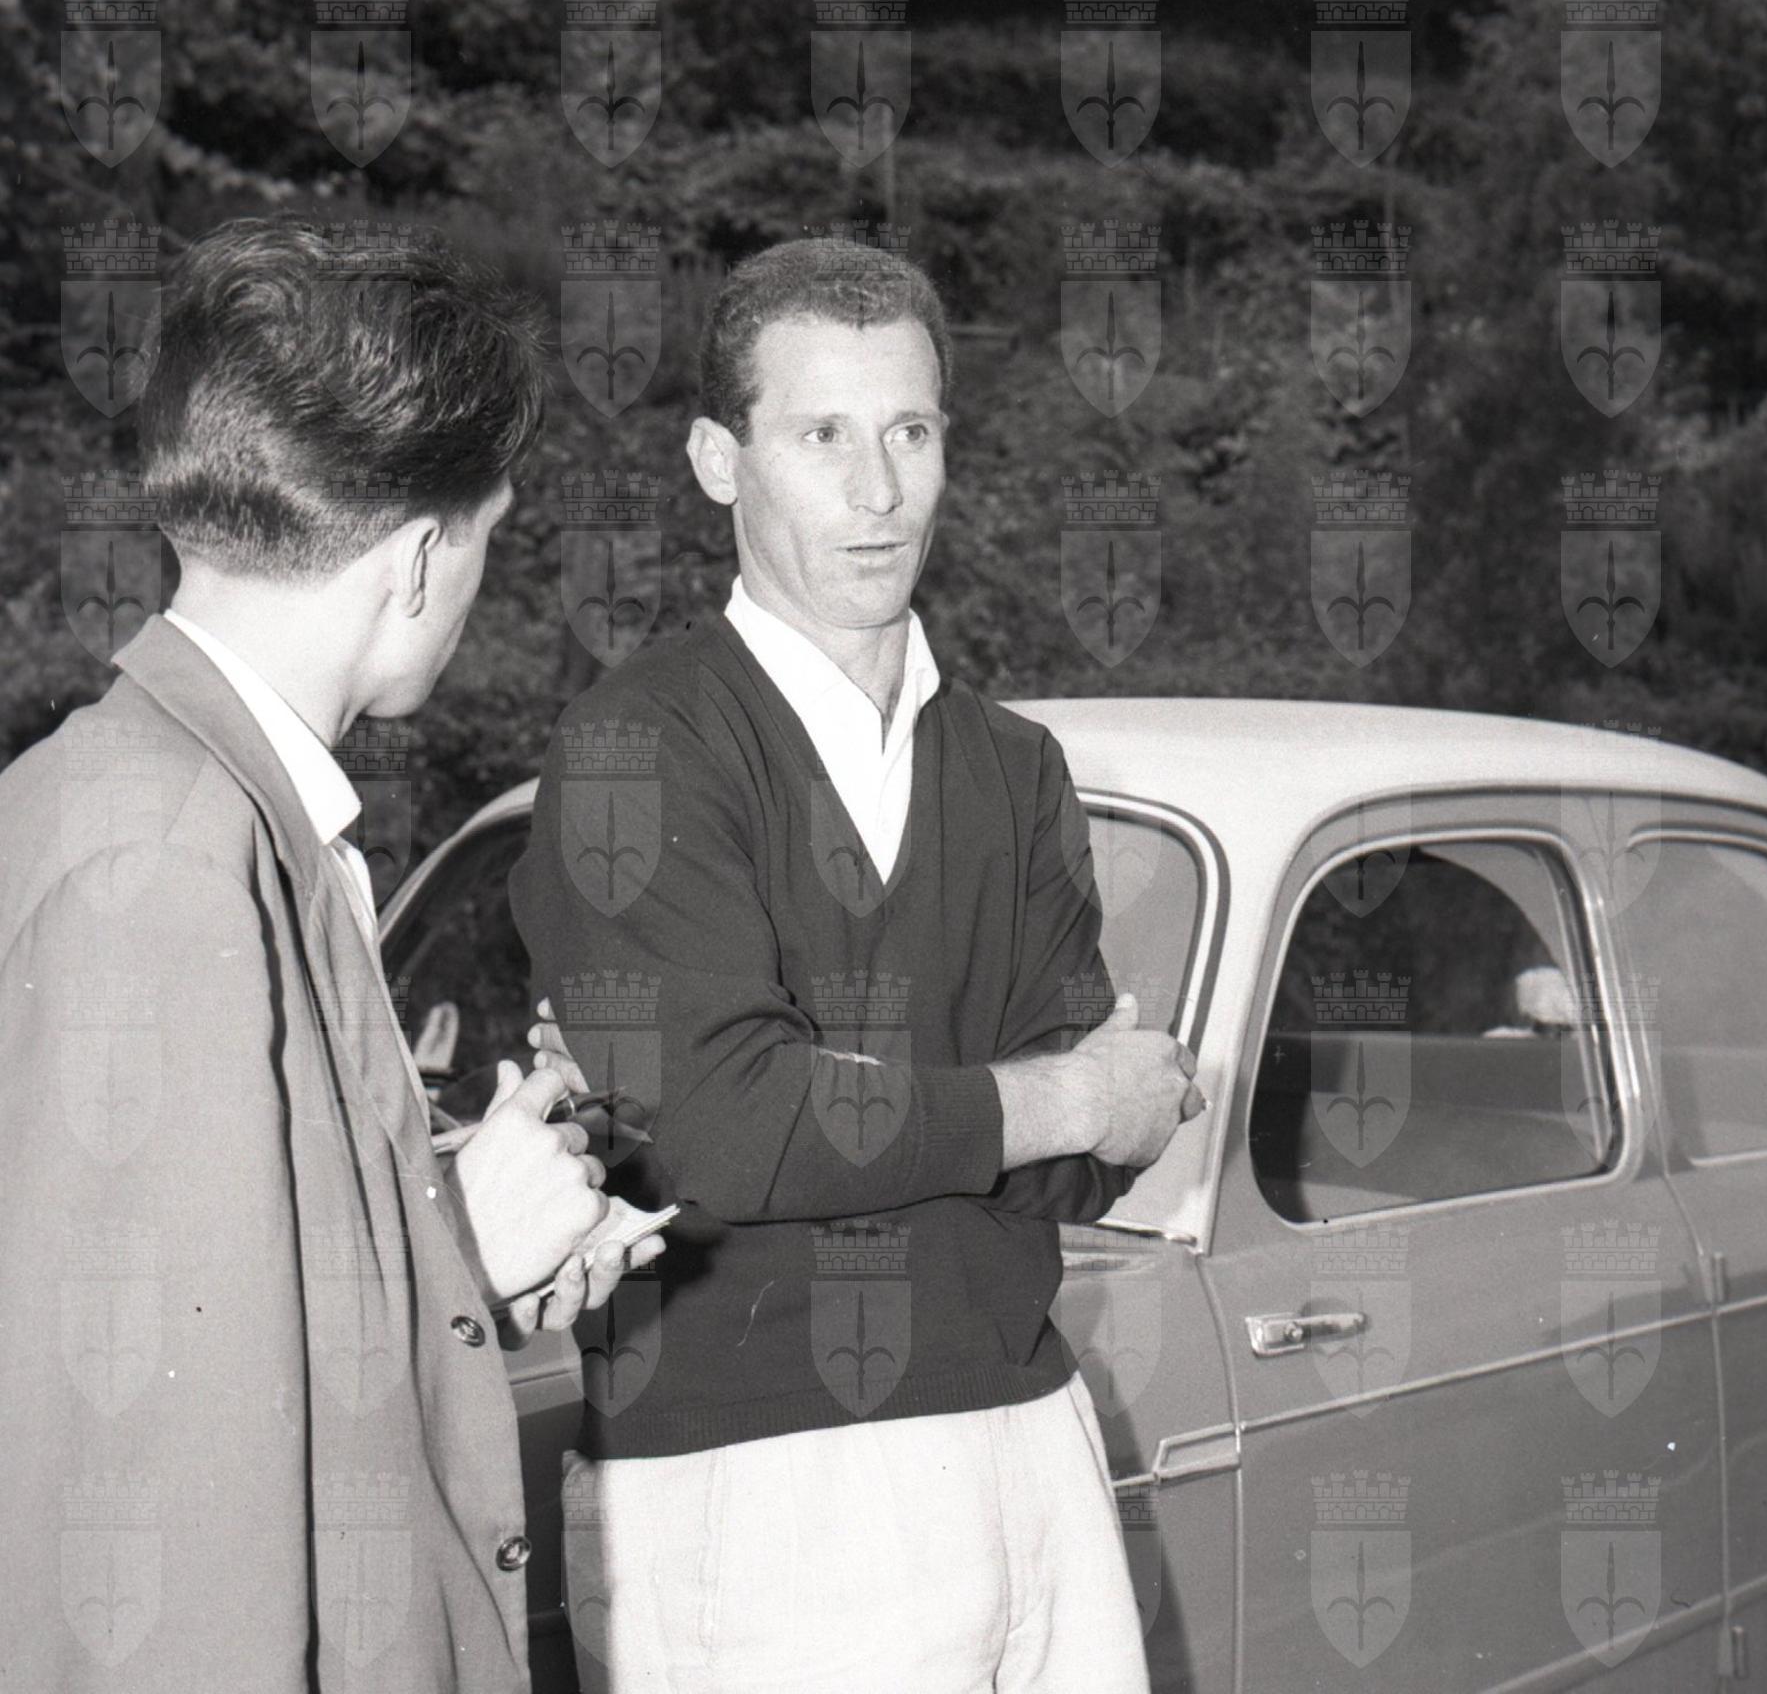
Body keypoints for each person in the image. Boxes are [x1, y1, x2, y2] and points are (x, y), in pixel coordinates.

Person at [511, 236, 1203, 1694]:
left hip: (1027, 1430)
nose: (879, 491)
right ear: (720, 461)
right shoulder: (639, 746)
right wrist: (1066, 1099)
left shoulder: (1015, 767)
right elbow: (730, 1129)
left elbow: (1082, 1173)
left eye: (911, 432)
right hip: (753, 1476)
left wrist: (1038, 1116)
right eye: (822, 435)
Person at [0, 215, 658, 1693]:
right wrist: (453, 1243)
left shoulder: (160, 807)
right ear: (420, 558)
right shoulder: (170, 872)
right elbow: (152, 1511)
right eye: (488, 536)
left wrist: (448, 1246)